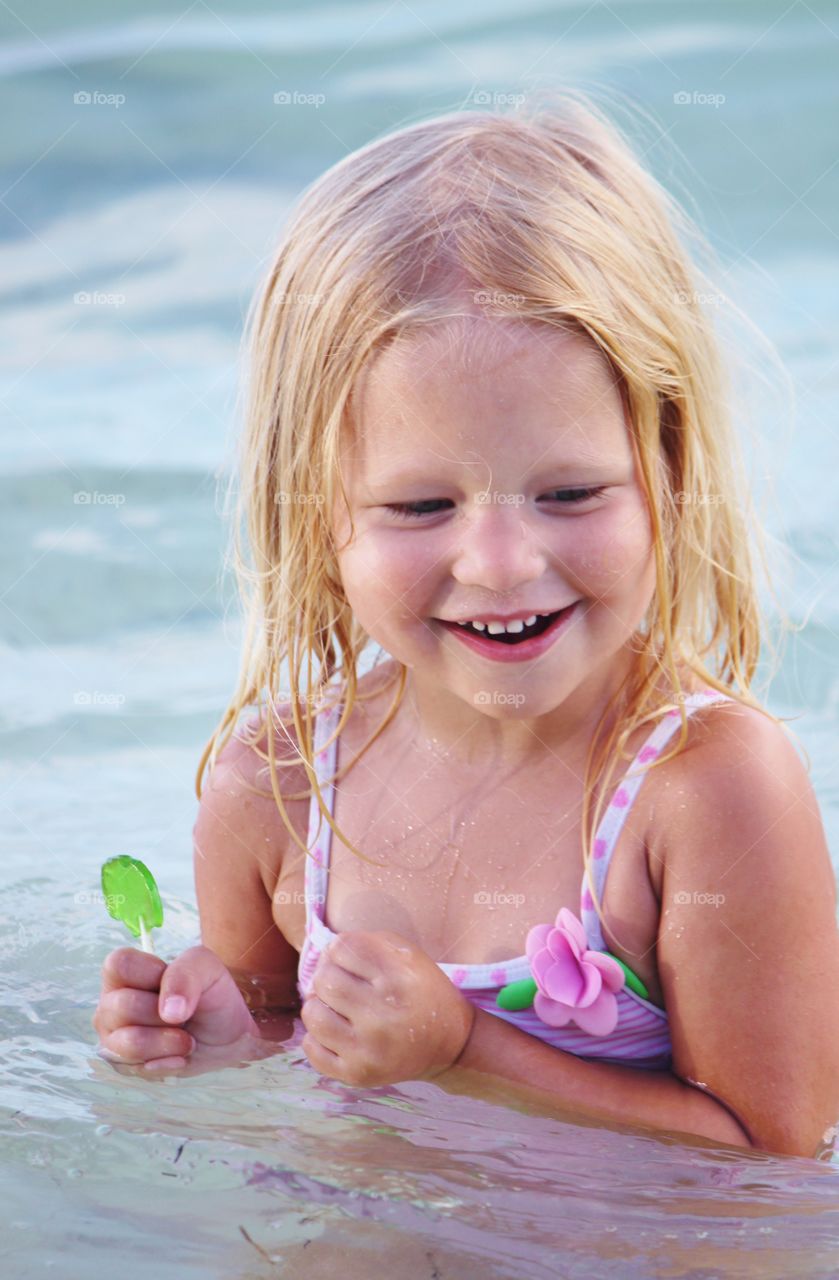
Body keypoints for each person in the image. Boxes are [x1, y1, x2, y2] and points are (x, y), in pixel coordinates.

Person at [93, 91, 839, 1159]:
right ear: (315, 516)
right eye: (420, 506)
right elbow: (286, 1056)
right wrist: (215, 1043)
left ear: (668, 474)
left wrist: (464, 1051)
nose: (498, 563)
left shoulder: (706, 789)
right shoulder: (277, 787)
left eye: (571, 493)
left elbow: (774, 1165)